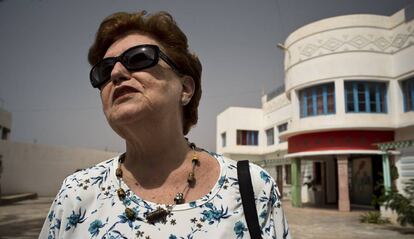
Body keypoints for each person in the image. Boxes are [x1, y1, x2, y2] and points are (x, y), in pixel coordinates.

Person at [39, 11, 290, 239]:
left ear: (185, 89)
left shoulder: (252, 187)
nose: (116, 73)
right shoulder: (75, 194)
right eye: (103, 71)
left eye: (138, 58)